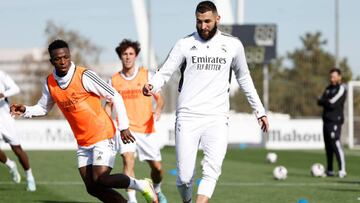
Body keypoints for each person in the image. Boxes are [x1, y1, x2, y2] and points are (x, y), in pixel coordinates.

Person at [143, 1, 269, 203]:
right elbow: (164, 72)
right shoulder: (184, 44)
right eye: (199, 21)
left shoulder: (233, 45)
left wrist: (259, 111)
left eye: (208, 21)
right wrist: (152, 85)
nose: (203, 26)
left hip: (217, 118)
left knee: (212, 170)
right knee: (184, 179)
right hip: (188, 116)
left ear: (218, 19)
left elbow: (244, 78)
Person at [10, 39, 158, 203]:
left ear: (70, 56)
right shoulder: (50, 82)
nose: (63, 61)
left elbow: (115, 95)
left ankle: (142, 185)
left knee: (101, 178)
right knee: (92, 188)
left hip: (103, 134)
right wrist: (26, 110)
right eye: (58, 59)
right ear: (52, 61)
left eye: (66, 57)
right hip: (83, 142)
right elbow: (43, 108)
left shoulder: (84, 75)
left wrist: (124, 127)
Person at [105, 39, 167, 203]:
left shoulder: (146, 75)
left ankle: (157, 190)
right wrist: (107, 123)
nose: (128, 57)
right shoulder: (114, 80)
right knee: (127, 160)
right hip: (125, 129)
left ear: (136, 56)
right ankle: (132, 199)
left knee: (157, 168)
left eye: (131, 54)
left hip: (146, 130)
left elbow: (160, 99)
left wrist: (158, 109)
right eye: (125, 54)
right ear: (120, 57)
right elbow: (108, 106)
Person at [0, 70, 36, 191]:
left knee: (17, 149)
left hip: (5, 118)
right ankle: (10, 164)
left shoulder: (1, 74)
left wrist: (2, 94)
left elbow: (15, 88)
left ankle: (29, 176)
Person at [317, 68, 347, 178]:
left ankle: (342, 169)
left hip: (335, 120)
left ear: (339, 77)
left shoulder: (341, 89)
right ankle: (329, 169)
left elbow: (332, 103)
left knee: (335, 143)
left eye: (334, 76)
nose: (332, 78)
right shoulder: (328, 88)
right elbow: (319, 101)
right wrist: (325, 101)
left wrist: (325, 101)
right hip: (326, 120)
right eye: (331, 77)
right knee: (328, 145)